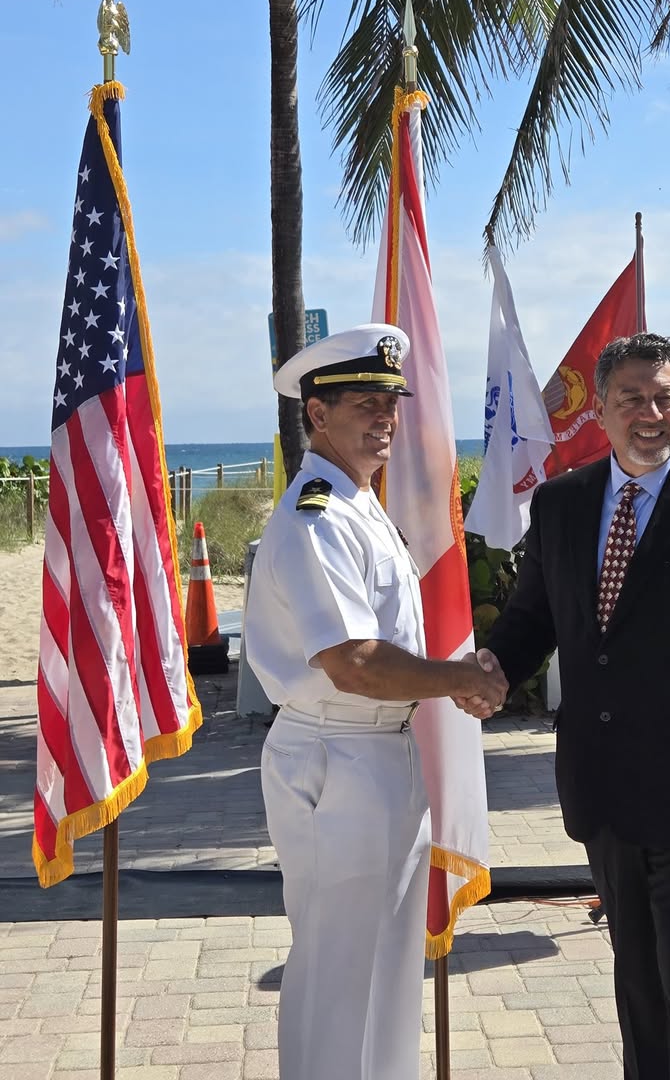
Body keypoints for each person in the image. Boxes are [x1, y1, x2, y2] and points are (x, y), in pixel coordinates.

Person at [464, 332, 670, 1080]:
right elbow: (534, 621)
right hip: (604, 790)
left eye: (665, 398)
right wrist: (489, 670)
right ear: (604, 414)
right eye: (632, 399)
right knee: (638, 980)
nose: (651, 413)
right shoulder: (560, 504)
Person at [244, 323, 507, 1080]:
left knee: (389, 967)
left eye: (391, 401)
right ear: (317, 414)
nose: (386, 417)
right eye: (365, 402)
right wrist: (458, 679)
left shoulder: (361, 506)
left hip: (380, 752)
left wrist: (454, 671)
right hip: (337, 751)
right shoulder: (315, 518)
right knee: (338, 970)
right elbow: (354, 663)